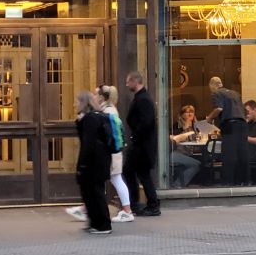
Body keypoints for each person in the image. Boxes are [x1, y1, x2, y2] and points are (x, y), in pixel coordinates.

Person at [66, 85, 135, 223]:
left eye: (96, 94)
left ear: (102, 97)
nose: (94, 96)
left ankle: (126, 211)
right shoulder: (108, 110)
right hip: (112, 153)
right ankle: (87, 208)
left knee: (113, 180)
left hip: (110, 154)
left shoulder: (108, 111)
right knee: (106, 181)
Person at [74, 91, 113, 234]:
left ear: (83, 102)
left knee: (94, 193)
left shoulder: (90, 119)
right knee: (92, 192)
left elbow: (87, 143)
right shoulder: (98, 116)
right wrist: (79, 121)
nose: (75, 104)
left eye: (77, 101)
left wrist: (82, 164)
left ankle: (102, 224)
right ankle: (96, 222)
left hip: (93, 162)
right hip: (101, 160)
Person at [122, 71, 160, 216]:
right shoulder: (141, 98)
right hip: (141, 144)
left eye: (128, 82)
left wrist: (135, 136)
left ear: (135, 81)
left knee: (137, 173)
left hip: (142, 146)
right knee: (137, 173)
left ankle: (148, 204)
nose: (126, 85)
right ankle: (143, 203)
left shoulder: (143, 99)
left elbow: (146, 122)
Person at [205, 77, 249, 186]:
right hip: (243, 125)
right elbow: (244, 111)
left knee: (229, 155)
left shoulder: (216, 93)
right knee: (242, 154)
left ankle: (228, 182)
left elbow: (219, 109)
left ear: (212, 86)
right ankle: (244, 181)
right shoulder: (235, 93)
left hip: (230, 125)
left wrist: (209, 118)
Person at [169, 104, 201, 188]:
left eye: (192, 112)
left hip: (190, 153)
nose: (190, 114)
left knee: (201, 161)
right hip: (176, 152)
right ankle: (177, 184)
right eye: (187, 112)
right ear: (182, 114)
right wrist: (185, 127)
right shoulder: (176, 126)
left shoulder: (196, 126)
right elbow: (174, 138)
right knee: (196, 164)